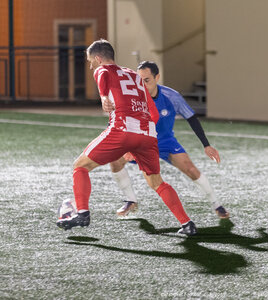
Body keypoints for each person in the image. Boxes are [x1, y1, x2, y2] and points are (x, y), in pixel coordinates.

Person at [56, 39, 197, 235]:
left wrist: (104, 96)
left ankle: (82, 213)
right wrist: (139, 142)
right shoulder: (135, 76)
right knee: (157, 182)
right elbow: (154, 114)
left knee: (80, 166)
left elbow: (102, 74)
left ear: (98, 58)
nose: (91, 66)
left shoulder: (103, 70)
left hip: (122, 129)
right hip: (148, 134)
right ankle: (187, 223)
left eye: (91, 61)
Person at [107, 61, 230, 219]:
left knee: (191, 169)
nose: (142, 85)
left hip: (165, 142)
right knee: (115, 161)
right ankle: (131, 200)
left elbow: (191, 118)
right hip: (141, 143)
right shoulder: (132, 97)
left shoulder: (172, 96)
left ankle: (217, 204)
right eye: (139, 81)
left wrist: (206, 145)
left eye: (147, 80)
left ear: (157, 77)